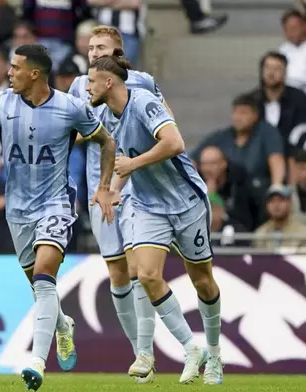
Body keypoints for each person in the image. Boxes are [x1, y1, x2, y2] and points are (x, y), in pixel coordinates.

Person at [0, 44, 116, 391]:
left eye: (15, 68)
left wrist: (105, 185)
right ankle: (63, 326)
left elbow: (106, 143)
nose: (9, 73)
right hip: (18, 209)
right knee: (39, 285)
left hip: (56, 203)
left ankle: (37, 359)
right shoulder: (2, 104)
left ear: (35, 73)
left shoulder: (70, 107)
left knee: (44, 271)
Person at [88, 52, 223, 385]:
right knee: (146, 275)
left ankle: (215, 354)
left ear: (109, 82)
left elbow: (174, 143)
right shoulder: (107, 115)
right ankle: (191, 348)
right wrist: (112, 187)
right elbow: (122, 157)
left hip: (186, 201)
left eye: (91, 81)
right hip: (149, 205)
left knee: (202, 281)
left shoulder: (144, 101)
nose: (86, 87)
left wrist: (132, 167)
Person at [68, 25, 168, 382]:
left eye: (102, 47)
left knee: (142, 270)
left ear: (118, 53)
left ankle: (146, 352)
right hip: (100, 191)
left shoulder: (143, 82)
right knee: (117, 273)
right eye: (91, 47)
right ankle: (139, 351)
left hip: (138, 188)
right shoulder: (80, 86)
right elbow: (75, 132)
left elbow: (165, 124)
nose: (94, 53)